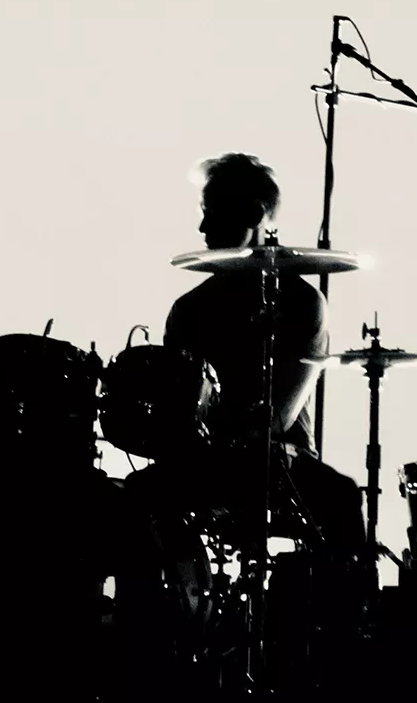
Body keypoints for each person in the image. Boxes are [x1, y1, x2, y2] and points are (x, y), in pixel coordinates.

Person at [157, 152, 367, 687]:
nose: (201, 228)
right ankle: (155, 654)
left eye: (211, 212)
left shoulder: (302, 303)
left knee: (343, 500)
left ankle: (345, 662)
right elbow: (171, 412)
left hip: (279, 465)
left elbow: (277, 418)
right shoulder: (188, 309)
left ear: (253, 213)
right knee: (131, 504)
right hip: (204, 462)